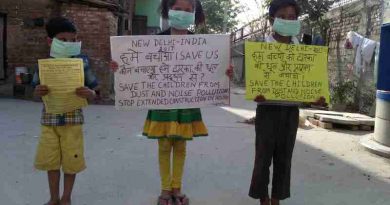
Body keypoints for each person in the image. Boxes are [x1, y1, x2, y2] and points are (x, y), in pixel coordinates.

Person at [249, 1, 326, 205]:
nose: (289, 20)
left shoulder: (304, 51)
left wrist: (316, 98)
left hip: (291, 112)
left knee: (285, 158)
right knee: (263, 158)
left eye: (292, 17)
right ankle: (263, 198)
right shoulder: (261, 48)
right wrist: (256, 94)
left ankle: (277, 199)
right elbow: (253, 82)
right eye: (283, 16)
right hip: (267, 111)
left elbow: (310, 84)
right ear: (271, 19)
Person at [32, 17, 98, 205]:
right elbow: (35, 92)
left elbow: (94, 91)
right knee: (51, 162)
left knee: (71, 162)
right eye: (63, 39)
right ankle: (53, 198)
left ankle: (66, 198)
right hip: (49, 122)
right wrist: (38, 91)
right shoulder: (44, 65)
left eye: (72, 40)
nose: (69, 43)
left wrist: (90, 93)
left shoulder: (81, 63)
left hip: (73, 122)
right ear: (50, 41)